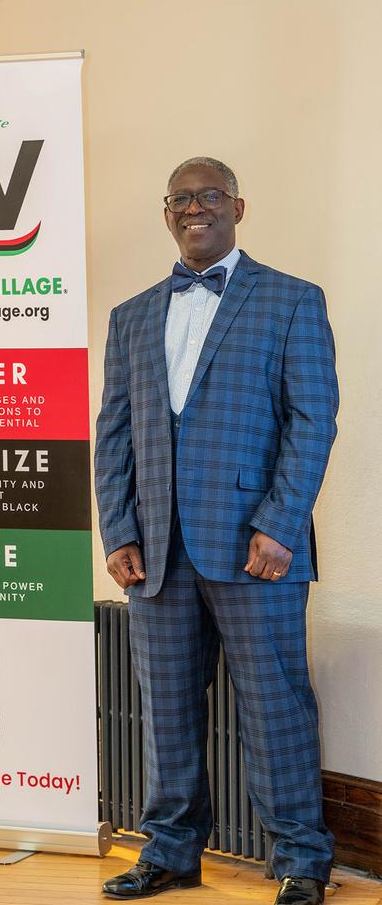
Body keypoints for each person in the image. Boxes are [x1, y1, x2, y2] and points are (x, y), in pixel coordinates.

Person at [94, 157, 338, 905]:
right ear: (166, 213)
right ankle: (170, 852)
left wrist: (280, 525)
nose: (193, 208)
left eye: (208, 196)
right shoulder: (132, 316)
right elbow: (115, 433)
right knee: (165, 712)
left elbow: (312, 421)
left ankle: (301, 860)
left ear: (237, 207)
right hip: (156, 554)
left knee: (274, 708)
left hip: (256, 549)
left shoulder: (292, 301)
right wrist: (118, 531)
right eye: (180, 199)